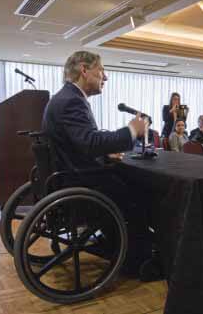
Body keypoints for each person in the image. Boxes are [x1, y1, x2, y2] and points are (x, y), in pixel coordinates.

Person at [42, 50, 150, 274]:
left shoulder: (66, 97)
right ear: (84, 70)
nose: (105, 77)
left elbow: (78, 144)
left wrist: (105, 154)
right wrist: (131, 130)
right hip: (81, 182)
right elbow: (90, 141)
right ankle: (136, 261)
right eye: (101, 70)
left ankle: (113, 243)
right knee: (141, 192)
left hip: (69, 176)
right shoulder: (72, 100)